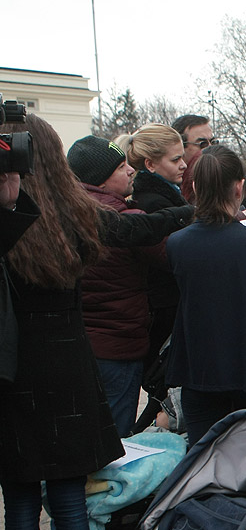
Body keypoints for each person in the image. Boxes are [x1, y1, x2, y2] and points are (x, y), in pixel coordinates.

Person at [0, 115, 125, 530]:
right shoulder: (78, 211)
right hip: (68, 359)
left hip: (16, 364)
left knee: (21, 496)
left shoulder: (15, 215)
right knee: (69, 494)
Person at [164, 145, 246, 446]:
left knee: (204, 458)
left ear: (196, 187)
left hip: (199, 368)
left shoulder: (177, 243)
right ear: (239, 187)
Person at [67, 135, 164, 437]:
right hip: (119, 345)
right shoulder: (127, 221)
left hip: (78, 344)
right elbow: (175, 256)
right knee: (114, 440)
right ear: (102, 180)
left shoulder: (66, 215)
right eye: (122, 166)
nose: (131, 170)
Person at [123, 123, 190, 374]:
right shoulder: (155, 205)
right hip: (165, 310)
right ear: (150, 165)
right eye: (175, 159)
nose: (183, 164)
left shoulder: (163, 196)